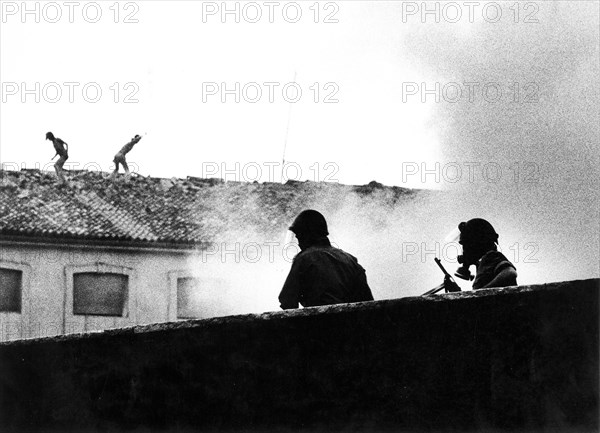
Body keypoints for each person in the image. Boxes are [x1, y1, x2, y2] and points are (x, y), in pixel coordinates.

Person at [278, 210, 374, 309]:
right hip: (349, 322)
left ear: (306, 235)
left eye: (299, 237)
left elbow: (287, 300)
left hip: (318, 322)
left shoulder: (303, 259)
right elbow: (366, 302)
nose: (299, 243)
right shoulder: (350, 260)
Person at [451, 218, 518, 290]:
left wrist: (481, 292)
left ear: (476, 243)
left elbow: (510, 273)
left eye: (466, 244)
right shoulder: (483, 264)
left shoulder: (491, 256)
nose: (464, 250)